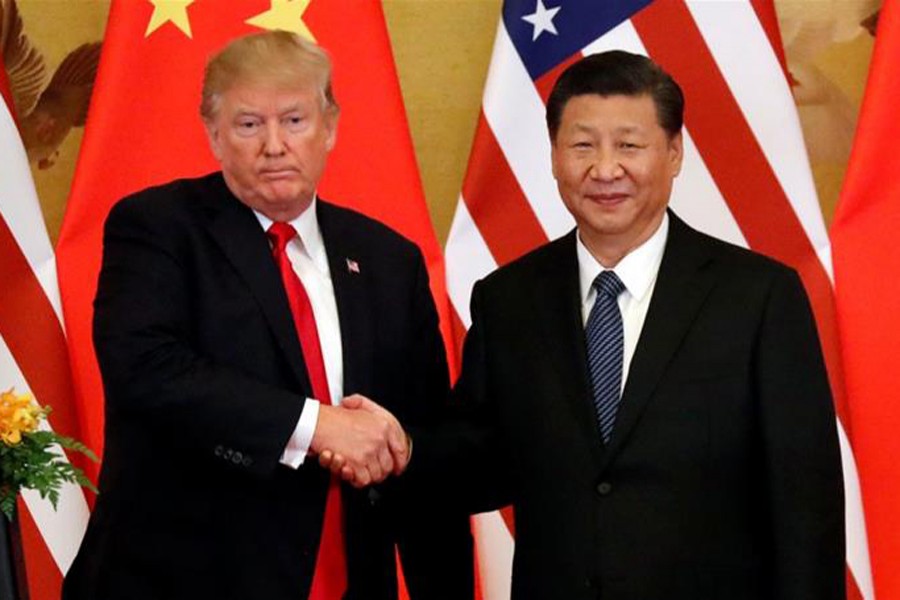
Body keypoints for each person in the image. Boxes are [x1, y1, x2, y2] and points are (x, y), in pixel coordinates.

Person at [398, 50, 845, 599]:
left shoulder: (759, 297)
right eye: (583, 145)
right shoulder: (508, 299)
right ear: (555, 156)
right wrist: (399, 446)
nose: (605, 169)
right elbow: (481, 464)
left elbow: (806, 505)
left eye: (629, 145)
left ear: (674, 153)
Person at [62, 31, 472, 600]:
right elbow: (146, 370)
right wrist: (317, 425)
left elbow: (422, 442)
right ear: (213, 134)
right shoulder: (157, 227)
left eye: (295, 121)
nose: (274, 145)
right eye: (250, 124)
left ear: (329, 127)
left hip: (347, 580)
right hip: (184, 581)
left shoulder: (389, 260)